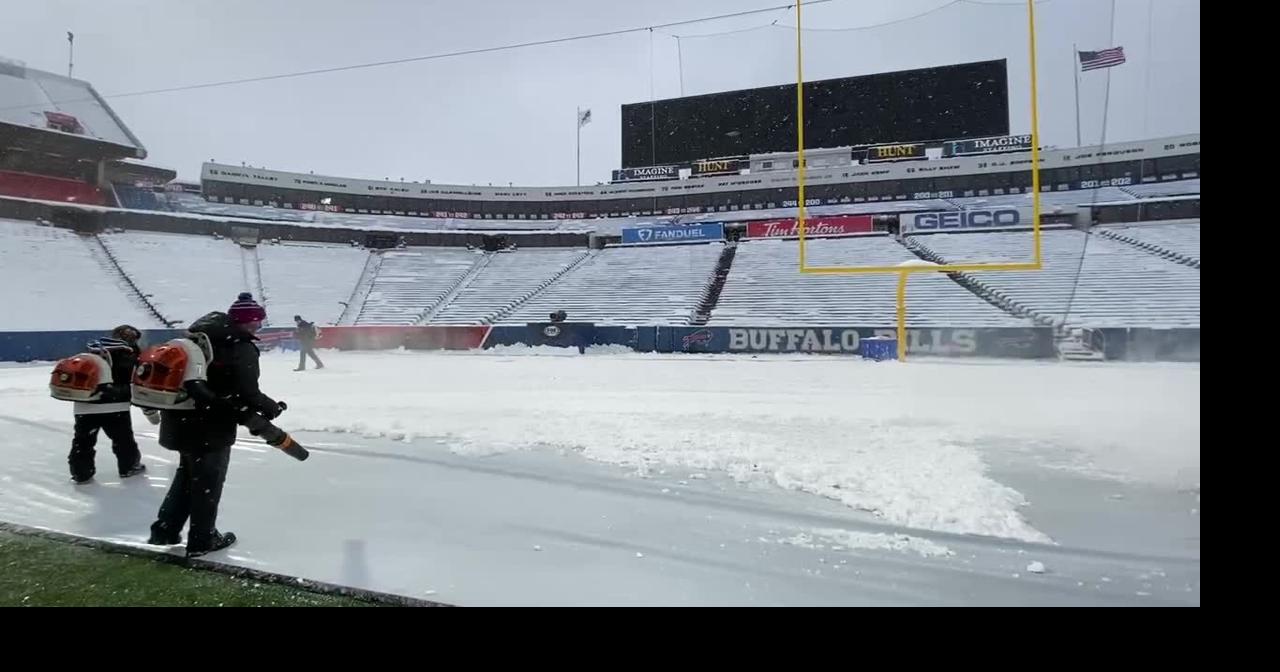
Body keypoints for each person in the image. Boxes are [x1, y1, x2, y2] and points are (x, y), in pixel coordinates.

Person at [148, 293, 285, 557]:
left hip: (178, 419)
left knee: (187, 478)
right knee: (207, 483)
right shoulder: (238, 345)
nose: (258, 326)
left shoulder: (197, 339)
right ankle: (202, 539)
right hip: (210, 425)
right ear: (248, 321)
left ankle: (164, 530)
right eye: (257, 321)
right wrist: (271, 408)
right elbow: (247, 392)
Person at [68, 325, 147, 483]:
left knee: (83, 441)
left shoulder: (94, 350)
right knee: (123, 440)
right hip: (116, 405)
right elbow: (138, 381)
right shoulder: (130, 355)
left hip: (85, 403)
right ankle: (128, 466)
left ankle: (80, 472)